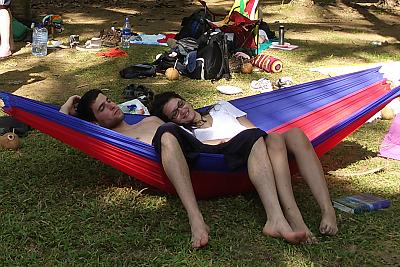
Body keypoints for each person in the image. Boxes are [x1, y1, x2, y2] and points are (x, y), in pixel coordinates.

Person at [60, 89, 310, 248]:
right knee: (167, 133)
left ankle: (275, 218)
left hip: (199, 149)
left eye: (109, 100)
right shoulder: (109, 137)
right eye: (102, 108)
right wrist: (70, 102)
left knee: (254, 135)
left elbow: (194, 135)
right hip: (172, 152)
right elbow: (65, 126)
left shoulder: (149, 119)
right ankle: (196, 219)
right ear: (94, 121)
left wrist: (224, 141)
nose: (112, 106)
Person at [150, 91, 338, 242]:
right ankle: (294, 217)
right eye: (175, 114)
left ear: (186, 101)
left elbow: (253, 130)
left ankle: (327, 209)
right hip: (238, 155)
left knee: (295, 134)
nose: (181, 111)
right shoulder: (186, 134)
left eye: (180, 105)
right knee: (261, 138)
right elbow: (212, 149)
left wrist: (256, 139)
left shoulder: (221, 107)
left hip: (260, 145)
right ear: (172, 121)